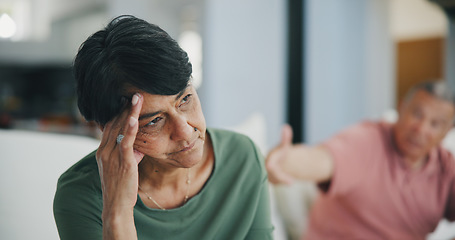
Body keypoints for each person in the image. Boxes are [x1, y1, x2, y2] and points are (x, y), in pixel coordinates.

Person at [53, 15, 273, 240]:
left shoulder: (243, 158)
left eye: (185, 99)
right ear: (108, 129)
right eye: (154, 121)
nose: (186, 131)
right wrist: (117, 211)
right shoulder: (81, 194)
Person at [266, 81, 455, 240]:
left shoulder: (446, 169)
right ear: (401, 108)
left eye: (435, 124)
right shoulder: (367, 140)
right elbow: (320, 160)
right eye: (417, 114)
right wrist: (282, 161)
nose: (421, 129)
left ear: (447, 131)